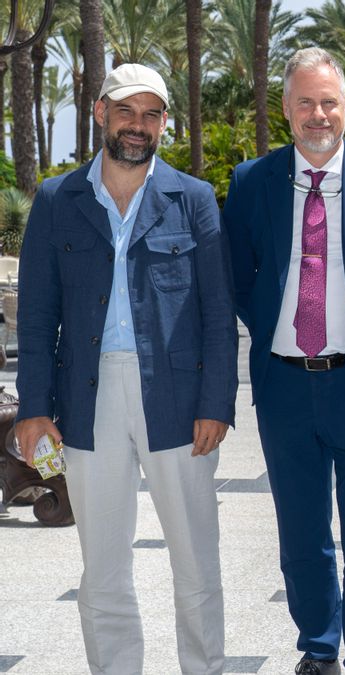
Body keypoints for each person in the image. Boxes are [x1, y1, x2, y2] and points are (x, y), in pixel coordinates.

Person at [14, 63, 237, 674]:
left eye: (151, 115)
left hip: (178, 397)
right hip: (87, 398)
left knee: (196, 561)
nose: (138, 125)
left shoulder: (192, 199)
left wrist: (216, 402)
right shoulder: (58, 199)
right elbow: (36, 315)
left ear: (164, 123)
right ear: (100, 113)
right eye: (125, 111)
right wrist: (34, 407)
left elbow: (219, 312)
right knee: (104, 567)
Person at [223, 47, 345, 675]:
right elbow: (238, 279)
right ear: (286, 108)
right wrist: (276, 333)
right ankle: (318, 648)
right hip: (283, 385)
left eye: (329, 102)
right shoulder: (251, 181)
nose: (318, 115)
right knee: (301, 532)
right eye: (305, 102)